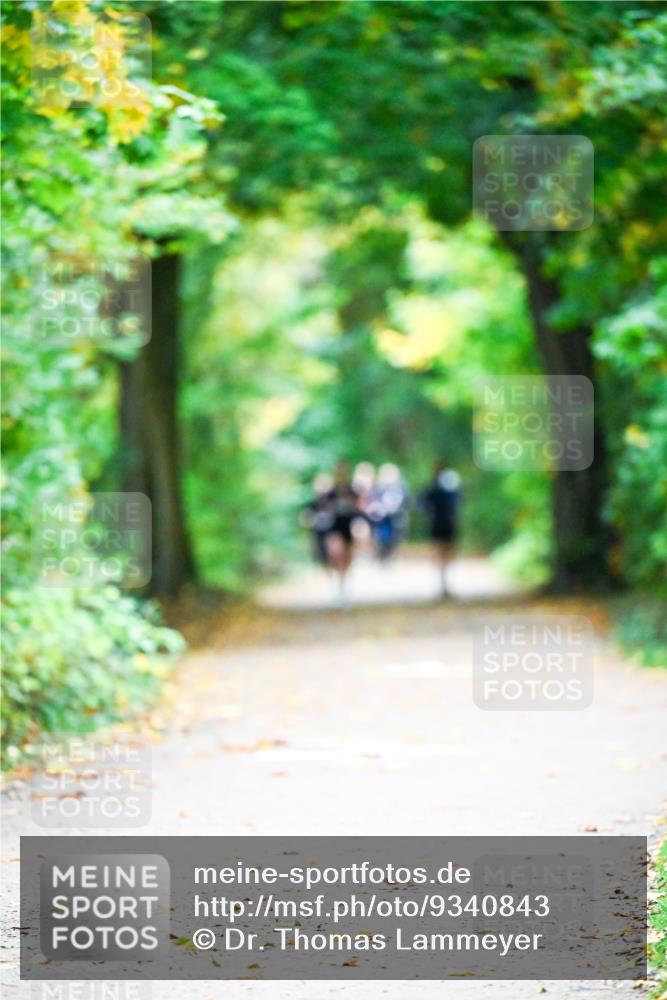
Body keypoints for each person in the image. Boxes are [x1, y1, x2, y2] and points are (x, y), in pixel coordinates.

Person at [419, 461, 462, 597]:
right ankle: (443, 582)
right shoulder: (434, 489)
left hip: (446, 524)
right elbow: (423, 503)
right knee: (441, 552)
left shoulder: (450, 488)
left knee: (447, 553)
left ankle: (444, 582)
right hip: (440, 524)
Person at [324, 460, 360, 607]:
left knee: (347, 559)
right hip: (334, 529)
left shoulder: (352, 491)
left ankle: (343, 588)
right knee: (336, 556)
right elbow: (324, 511)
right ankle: (337, 587)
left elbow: (358, 510)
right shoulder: (330, 493)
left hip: (348, 529)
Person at [368, 462, 409, 561]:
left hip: (396, 518)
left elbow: (406, 502)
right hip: (381, 519)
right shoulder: (378, 487)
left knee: (395, 536)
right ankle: (381, 554)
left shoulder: (401, 488)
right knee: (380, 536)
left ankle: (389, 554)